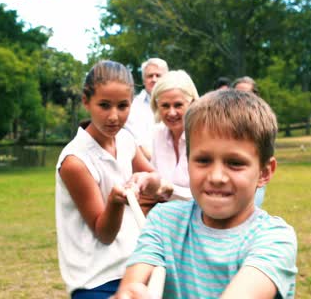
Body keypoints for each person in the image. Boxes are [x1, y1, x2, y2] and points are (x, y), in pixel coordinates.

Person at [114, 90, 298, 299]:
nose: (217, 177)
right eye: (203, 160)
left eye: (235, 163)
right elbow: (131, 287)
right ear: (188, 161)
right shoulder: (164, 222)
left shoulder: (274, 239)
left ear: (264, 172)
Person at [55, 60, 171, 298]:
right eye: (104, 105)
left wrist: (146, 180)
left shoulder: (125, 140)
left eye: (123, 106)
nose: (114, 117)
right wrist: (116, 202)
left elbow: (154, 176)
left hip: (134, 266)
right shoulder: (75, 161)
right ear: (86, 101)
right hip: (95, 279)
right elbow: (104, 234)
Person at [148, 70, 199, 203]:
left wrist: (171, 190)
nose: (171, 113)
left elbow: (208, 193)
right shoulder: (157, 134)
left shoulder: (204, 137)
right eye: (165, 106)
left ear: (192, 104)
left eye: (178, 105)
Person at [124, 58, 169, 160]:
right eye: (150, 76)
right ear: (144, 80)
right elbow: (137, 143)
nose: (154, 79)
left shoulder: (178, 105)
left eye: (158, 75)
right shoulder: (133, 107)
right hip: (144, 167)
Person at [231, 75, 265, 206]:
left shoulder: (261, 120)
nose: (241, 99)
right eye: (236, 94)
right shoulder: (224, 119)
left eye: (246, 94)